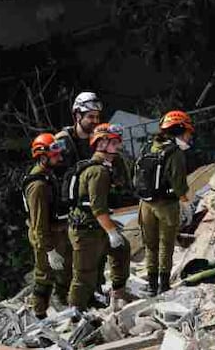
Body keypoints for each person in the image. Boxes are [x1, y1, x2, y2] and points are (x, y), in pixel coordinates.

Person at [67, 123, 132, 313]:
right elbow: (98, 208)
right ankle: (75, 313)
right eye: (114, 142)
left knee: (121, 250)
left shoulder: (106, 167)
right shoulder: (98, 172)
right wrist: (112, 232)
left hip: (96, 227)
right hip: (85, 230)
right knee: (84, 274)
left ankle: (118, 293)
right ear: (102, 143)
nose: (118, 145)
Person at [138, 110, 193, 296]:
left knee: (150, 245)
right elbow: (179, 184)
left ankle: (152, 285)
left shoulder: (148, 147)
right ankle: (163, 285)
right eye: (187, 132)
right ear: (179, 129)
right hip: (166, 206)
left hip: (145, 204)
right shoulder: (175, 153)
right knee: (165, 245)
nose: (189, 136)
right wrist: (185, 204)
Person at [21, 134, 72, 318]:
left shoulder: (48, 176)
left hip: (56, 232)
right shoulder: (38, 186)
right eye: (55, 155)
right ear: (43, 157)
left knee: (65, 270)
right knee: (44, 277)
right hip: (45, 237)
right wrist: (49, 250)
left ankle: (62, 302)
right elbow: (39, 223)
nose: (59, 158)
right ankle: (39, 315)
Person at [54, 91, 102, 170]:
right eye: (91, 117)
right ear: (78, 116)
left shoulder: (100, 140)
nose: (96, 121)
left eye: (97, 117)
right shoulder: (63, 140)